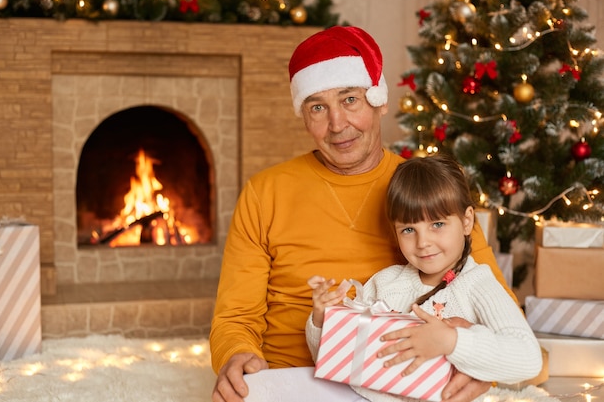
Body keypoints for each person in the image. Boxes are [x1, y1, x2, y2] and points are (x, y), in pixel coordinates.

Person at [210, 25, 519, 402]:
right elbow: (235, 317)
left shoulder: (424, 190)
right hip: (287, 378)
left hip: (398, 382)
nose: (337, 124)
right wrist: (236, 354)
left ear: (379, 100)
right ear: (303, 117)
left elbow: (504, 319)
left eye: (350, 99)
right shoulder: (265, 192)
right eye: (318, 107)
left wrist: (480, 367)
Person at [306, 154, 542, 402]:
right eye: (408, 230)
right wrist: (323, 320)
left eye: (437, 224)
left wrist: (451, 341)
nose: (423, 243)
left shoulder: (478, 285)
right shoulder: (384, 283)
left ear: (466, 220)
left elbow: (528, 359)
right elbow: (334, 361)